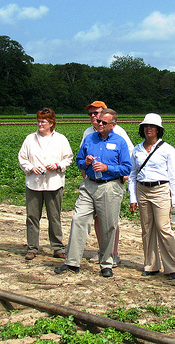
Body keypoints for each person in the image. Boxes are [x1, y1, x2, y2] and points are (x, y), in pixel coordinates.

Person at [55, 109, 131, 278]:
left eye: (104, 122)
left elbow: (127, 167)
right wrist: (86, 162)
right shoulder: (89, 139)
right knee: (78, 219)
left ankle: (106, 263)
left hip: (110, 186)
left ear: (113, 125)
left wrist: (107, 168)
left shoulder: (120, 142)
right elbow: (79, 161)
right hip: (89, 185)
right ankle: (72, 262)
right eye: (98, 121)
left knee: (108, 226)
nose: (99, 124)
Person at [129, 114, 175, 280]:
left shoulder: (168, 149)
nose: (148, 129)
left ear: (159, 130)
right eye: (146, 126)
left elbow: (174, 176)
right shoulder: (137, 149)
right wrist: (133, 198)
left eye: (152, 126)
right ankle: (151, 265)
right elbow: (133, 174)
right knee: (147, 228)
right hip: (142, 189)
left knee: (163, 228)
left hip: (161, 189)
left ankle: (174, 266)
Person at [81, 101, 134, 267]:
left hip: (111, 181)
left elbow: (130, 154)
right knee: (97, 218)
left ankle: (113, 252)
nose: (94, 117)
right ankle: (102, 251)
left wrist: (123, 174)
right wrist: (85, 168)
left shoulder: (118, 133)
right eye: (91, 114)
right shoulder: (88, 133)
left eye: (97, 113)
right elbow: (82, 156)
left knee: (109, 220)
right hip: (92, 181)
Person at [18, 108, 73, 261]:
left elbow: (68, 158)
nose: (40, 124)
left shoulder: (61, 139)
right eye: (38, 121)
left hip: (54, 183)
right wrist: (31, 168)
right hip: (33, 184)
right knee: (32, 216)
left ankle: (57, 247)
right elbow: (22, 158)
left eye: (43, 121)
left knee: (54, 216)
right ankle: (32, 248)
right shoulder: (29, 139)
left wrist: (58, 165)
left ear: (51, 123)